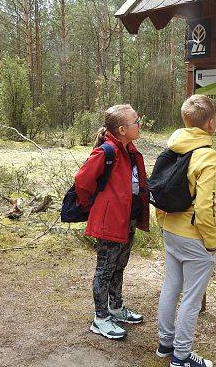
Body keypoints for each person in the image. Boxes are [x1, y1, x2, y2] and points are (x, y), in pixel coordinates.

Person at [155, 95, 216, 367]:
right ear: (211, 124)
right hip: (194, 237)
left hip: (171, 229)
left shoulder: (172, 148)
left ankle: (165, 344)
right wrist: (212, 242)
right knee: (192, 299)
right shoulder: (208, 156)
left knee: (171, 286)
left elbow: (158, 187)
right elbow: (205, 208)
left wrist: (163, 223)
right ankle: (180, 358)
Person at [74, 104, 149, 340]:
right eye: (135, 121)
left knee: (120, 265)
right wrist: (93, 207)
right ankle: (101, 318)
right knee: (105, 270)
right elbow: (82, 181)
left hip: (127, 220)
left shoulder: (129, 150)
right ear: (122, 129)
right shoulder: (106, 152)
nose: (139, 124)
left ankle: (116, 308)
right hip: (110, 222)